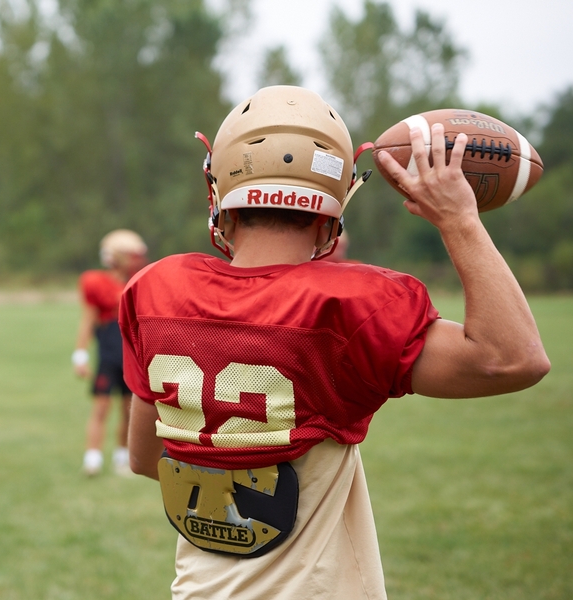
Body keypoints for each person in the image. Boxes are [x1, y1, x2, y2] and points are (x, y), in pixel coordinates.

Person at [119, 86, 550, 599]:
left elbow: (146, 460)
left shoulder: (156, 292)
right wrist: (459, 220)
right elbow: (514, 359)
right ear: (333, 210)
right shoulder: (349, 310)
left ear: (220, 195)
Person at [73, 229, 148, 476]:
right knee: (101, 409)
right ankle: (92, 459)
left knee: (129, 411)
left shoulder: (138, 282)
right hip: (108, 357)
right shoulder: (97, 283)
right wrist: (80, 355)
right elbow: (87, 320)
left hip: (132, 357)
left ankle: (121, 457)